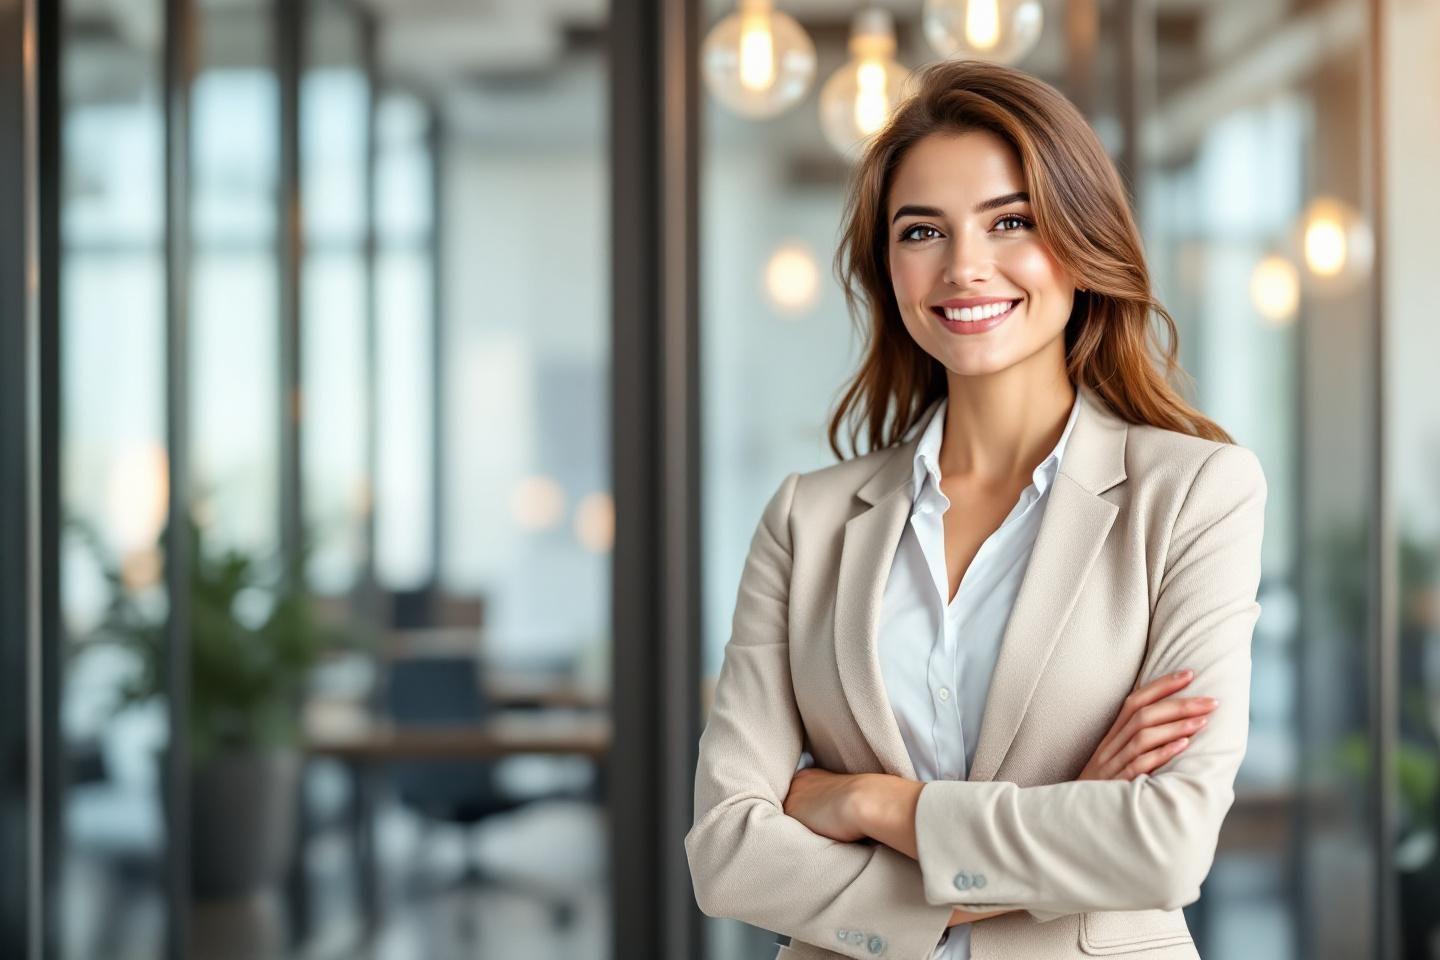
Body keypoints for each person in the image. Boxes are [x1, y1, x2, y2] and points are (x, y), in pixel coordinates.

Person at [684, 59, 1267, 960]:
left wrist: (867, 803)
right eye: (923, 231)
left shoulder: (1196, 494)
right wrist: (1055, 833)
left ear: (1081, 242)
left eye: (1011, 221)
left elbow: (1164, 844)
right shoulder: (807, 519)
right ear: (889, 268)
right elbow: (727, 855)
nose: (964, 267)